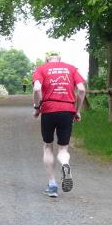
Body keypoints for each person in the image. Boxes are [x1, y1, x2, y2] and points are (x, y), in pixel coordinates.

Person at [32, 50, 86, 197]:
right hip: (67, 111)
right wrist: (77, 110)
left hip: (48, 110)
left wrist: (37, 108)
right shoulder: (71, 69)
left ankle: (52, 185)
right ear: (60, 58)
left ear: (47, 59)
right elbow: (81, 89)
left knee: (48, 146)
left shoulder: (41, 69)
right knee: (63, 149)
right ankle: (65, 165)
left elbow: (37, 88)